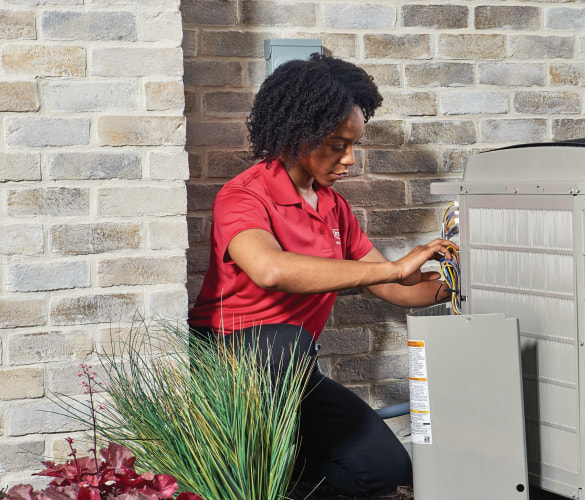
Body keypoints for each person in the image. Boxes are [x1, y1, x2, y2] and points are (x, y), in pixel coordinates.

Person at [188, 53, 454, 498]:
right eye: (337, 144)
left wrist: (459, 281)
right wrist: (392, 266)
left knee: (388, 471)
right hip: (232, 361)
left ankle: (286, 483)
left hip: (289, 370)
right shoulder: (244, 196)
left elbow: (392, 286)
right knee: (287, 341)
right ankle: (258, 472)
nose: (349, 159)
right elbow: (270, 269)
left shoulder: (333, 206)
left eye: (353, 145)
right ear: (299, 134)